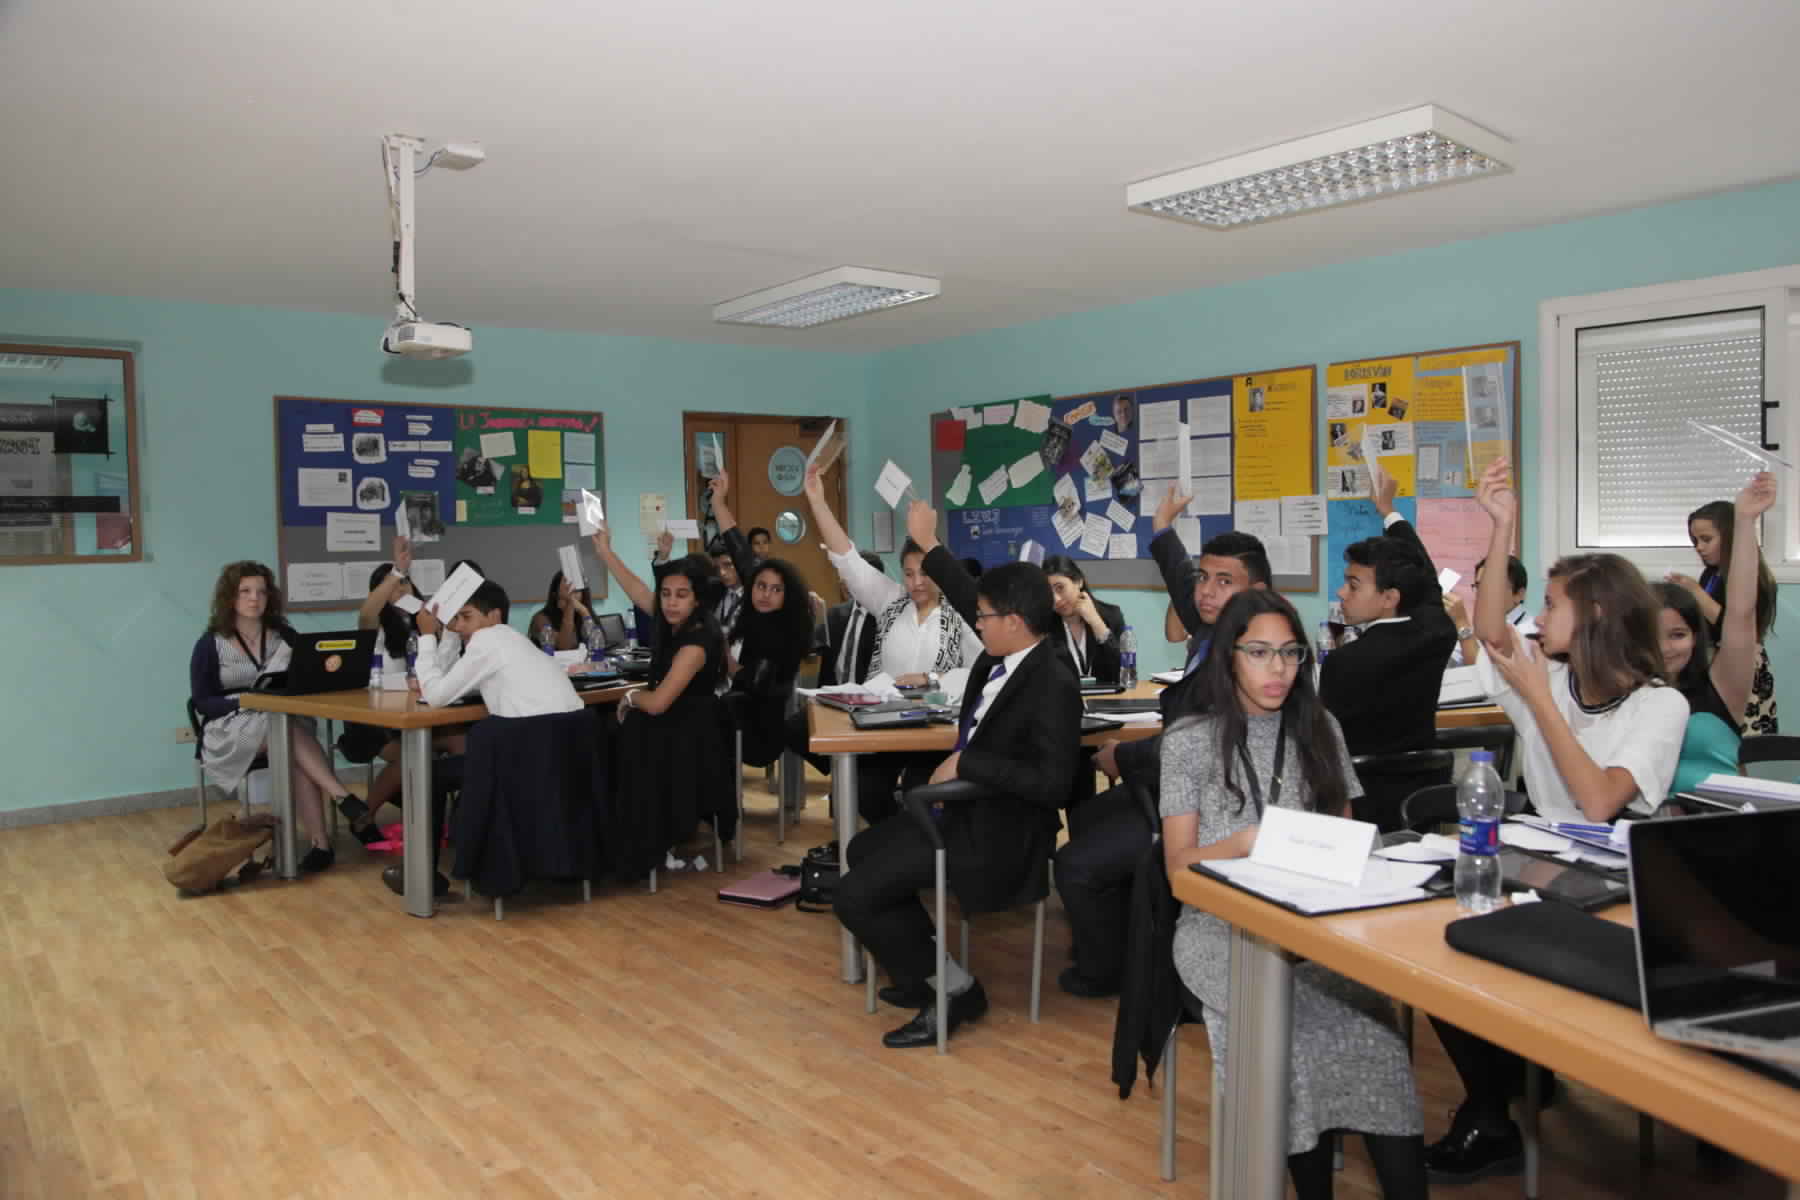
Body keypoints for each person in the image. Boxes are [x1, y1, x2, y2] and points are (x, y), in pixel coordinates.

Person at [1427, 457, 1688, 1182]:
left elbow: (1599, 801)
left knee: (1503, 947)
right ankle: (1495, 1102)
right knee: (1439, 950)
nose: (1537, 620)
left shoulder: (1660, 706)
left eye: (1550, 605)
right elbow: (1490, 629)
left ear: (1596, 614)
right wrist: (1500, 526)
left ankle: (1504, 1095)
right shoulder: (1549, 674)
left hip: (1613, 880)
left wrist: (1539, 701)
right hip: (1539, 862)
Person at [1162, 590, 1426, 1198]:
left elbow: (1349, 839)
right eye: (1259, 653)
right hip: (1221, 933)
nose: (1277, 669)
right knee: (1290, 1045)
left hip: (1314, 927)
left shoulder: (1320, 728)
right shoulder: (1189, 740)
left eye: (1289, 653)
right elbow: (1178, 868)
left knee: (1379, 1042)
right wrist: (1244, 843)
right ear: (1229, 657)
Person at [834, 562, 1082, 1049]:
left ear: (1015, 621)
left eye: (984, 616)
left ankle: (951, 992)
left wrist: (971, 763)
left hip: (1000, 831)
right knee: (861, 852)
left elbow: (1053, 784)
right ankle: (930, 973)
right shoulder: (996, 663)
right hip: (963, 812)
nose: (978, 624)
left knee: (854, 895)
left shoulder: (1053, 681)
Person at [1055, 486, 1269, 997]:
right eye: (1204, 578)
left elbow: (1203, 748)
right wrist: (1161, 527)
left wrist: (1124, 756)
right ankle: (1127, 938)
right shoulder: (1217, 626)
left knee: (1073, 863)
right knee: (1086, 815)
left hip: (1212, 805)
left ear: (1256, 591)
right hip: (1174, 782)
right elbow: (1179, 576)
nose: (1205, 592)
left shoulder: (1253, 653)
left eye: (1224, 582)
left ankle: (1105, 971)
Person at [803, 462, 981, 824]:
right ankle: (893, 838)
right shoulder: (890, 601)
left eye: (926, 573)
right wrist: (818, 502)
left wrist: (932, 680)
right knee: (865, 789)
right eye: (909, 574)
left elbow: (980, 671)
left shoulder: (961, 613)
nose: (917, 583)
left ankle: (919, 842)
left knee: (921, 789)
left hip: (936, 731)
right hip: (886, 724)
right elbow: (848, 560)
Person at [189, 561, 359, 873]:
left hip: (281, 720)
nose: (254, 598)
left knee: (289, 743)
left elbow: (307, 675)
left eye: (261, 592)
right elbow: (202, 702)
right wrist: (243, 701)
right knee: (283, 730)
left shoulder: (284, 635)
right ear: (229, 597)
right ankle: (342, 796)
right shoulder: (209, 644)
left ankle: (321, 846)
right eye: (245, 591)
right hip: (229, 727)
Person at [1318, 466, 1457, 831]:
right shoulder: (1437, 633)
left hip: (1358, 810)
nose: (1341, 593)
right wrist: (1388, 511)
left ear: (1389, 598)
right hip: (1421, 806)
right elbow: (1425, 577)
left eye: (1353, 585)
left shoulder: (1343, 662)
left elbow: (1322, 747)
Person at [591, 528, 733, 874]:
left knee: (612, 737)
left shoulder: (696, 641)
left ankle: (631, 844)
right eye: (666, 594)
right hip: (672, 724)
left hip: (687, 736)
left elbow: (657, 703)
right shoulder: (679, 624)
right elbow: (638, 589)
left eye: (681, 595)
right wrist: (606, 553)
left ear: (696, 599)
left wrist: (630, 696)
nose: (670, 602)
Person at [1656, 473, 1776, 792]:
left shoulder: (1718, 688)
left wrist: (1746, 520)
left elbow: (1738, 616)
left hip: (1729, 666)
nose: (1699, 547)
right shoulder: (1637, 687)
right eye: (1694, 540)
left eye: (1677, 635)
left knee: (1733, 747)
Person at [343, 540, 468, 842]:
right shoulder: (375, 628)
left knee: (462, 742)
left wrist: (444, 629)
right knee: (411, 754)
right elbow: (367, 612)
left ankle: (464, 816)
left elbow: (441, 668)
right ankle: (363, 818)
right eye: (392, 587)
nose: (399, 591)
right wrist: (397, 571)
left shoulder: (424, 626)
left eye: (404, 584)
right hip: (375, 720)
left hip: (420, 713)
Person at [711, 473, 814, 778]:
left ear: (787, 595)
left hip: (760, 729)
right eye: (761, 586)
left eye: (775, 590)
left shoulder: (788, 630)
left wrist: (726, 659)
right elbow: (738, 546)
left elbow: (757, 687)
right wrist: (718, 502)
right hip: (738, 709)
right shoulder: (755, 608)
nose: (765, 594)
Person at [1673, 493, 1781, 733]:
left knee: (1740, 736)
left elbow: (1734, 629)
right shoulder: (1711, 574)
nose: (1699, 547)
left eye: (1706, 539)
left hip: (1741, 666)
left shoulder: (1753, 580)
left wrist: (1696, 592)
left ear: (1731, 536)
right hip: (1714, 661)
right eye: (1695, 540)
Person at [1042, 554, 1125, 683]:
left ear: (1078, 581)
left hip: (1104, 694)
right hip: (1064, 695)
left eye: (1060, 588)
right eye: (1049, 592)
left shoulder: (1111, 616)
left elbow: (1123, 673)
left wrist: (1097, 623)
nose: (1056, 599)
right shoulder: (1044, 625)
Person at [1448, 554, 1532, 666]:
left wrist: (1461, 622)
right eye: (1478, 586)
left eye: (1492, 586)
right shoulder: (1483, 625)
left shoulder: (1529, 633)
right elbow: (1452, 659)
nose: (1482, 594)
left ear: (1519, 594)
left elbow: (1484, 671)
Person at [528, 569, 594, 651]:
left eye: (577, 590)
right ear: (555, 591)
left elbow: (597, 643)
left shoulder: (582, 612)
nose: (572, 588)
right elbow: (564, 647)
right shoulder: (540, 618)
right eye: (568, 584)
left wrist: (585, 612)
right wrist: (570, 605)